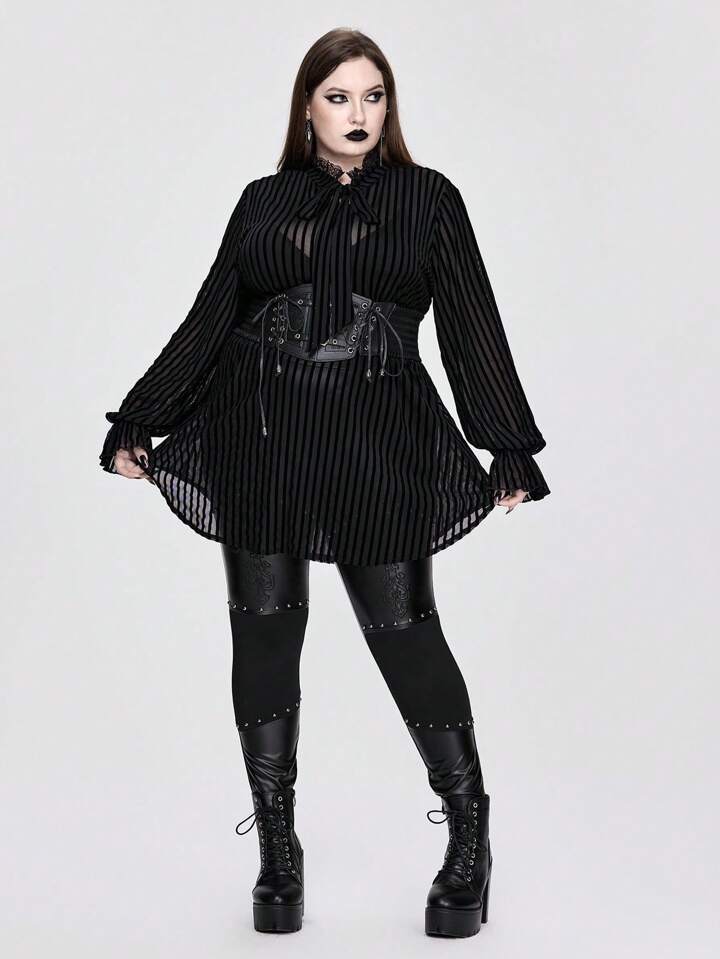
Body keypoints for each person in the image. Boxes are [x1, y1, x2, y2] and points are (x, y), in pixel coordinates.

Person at [99, 28, 550, 939]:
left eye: (373, 96)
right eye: (338, 96)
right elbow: (212, 314)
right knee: (265, 637)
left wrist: (504, 443)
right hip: (261, 437)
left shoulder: (429, 198)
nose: (357, 113)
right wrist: (141, 416)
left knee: (405, 635)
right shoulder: (264, 201)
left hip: (378, 444)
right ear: (307, 106)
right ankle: (277, 846)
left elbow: (471, 321)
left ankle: (470, 835)